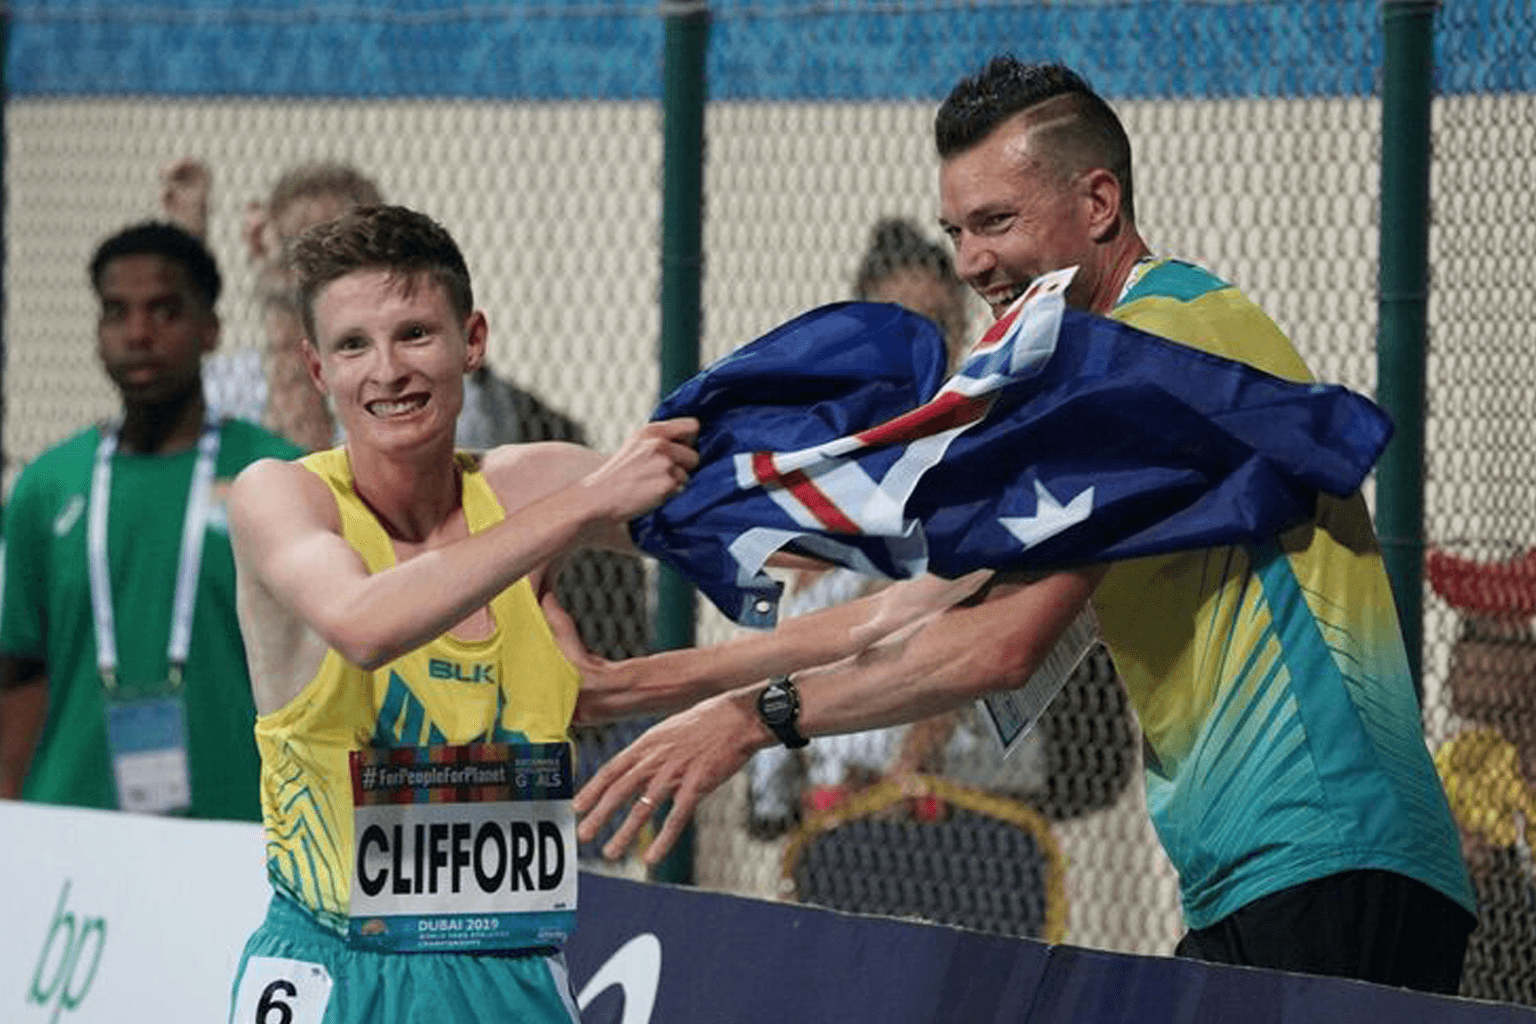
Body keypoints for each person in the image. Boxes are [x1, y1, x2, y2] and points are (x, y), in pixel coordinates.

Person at [564, 58, 1476, 994]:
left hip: (1330, 853)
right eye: (956, 230)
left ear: (1099, 202)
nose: (970, 263)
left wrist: (760, 720)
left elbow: (1001, 645)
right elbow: (913, 608)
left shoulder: (1156, 347)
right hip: (1263, 873)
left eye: (996, 222)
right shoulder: (1107, 363)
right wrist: (645, 684)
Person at [0, 222, 304, 819]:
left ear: (210, 328)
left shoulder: (277, 476)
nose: (138, 334)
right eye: (117, 312)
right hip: (71, 820)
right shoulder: (46, 487)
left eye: (164, 311)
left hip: (243, 821)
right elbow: (19, 669)